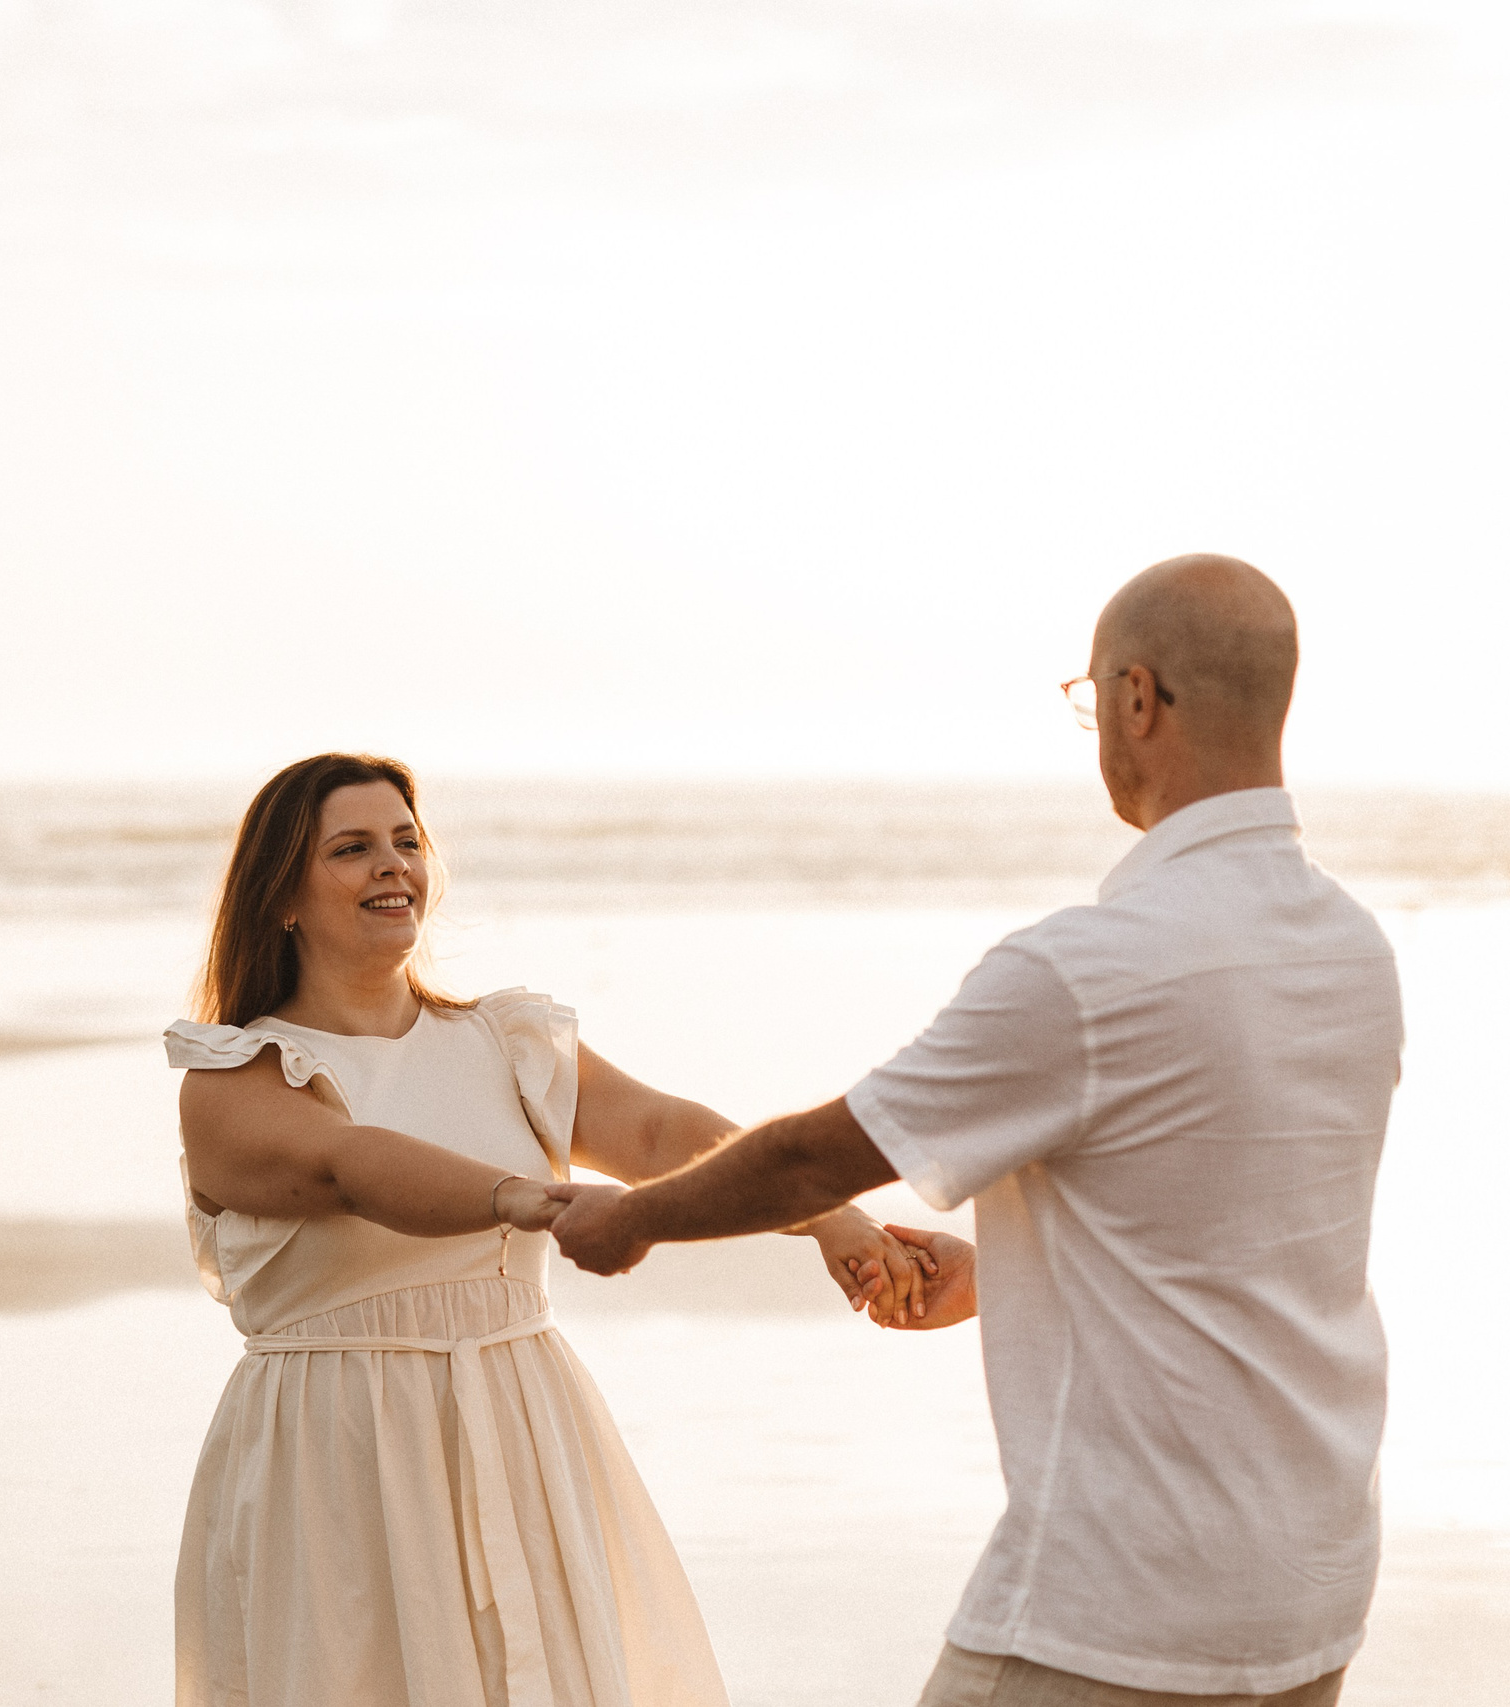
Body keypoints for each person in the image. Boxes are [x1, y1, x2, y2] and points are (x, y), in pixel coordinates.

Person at [548, 555, 1406, 1707]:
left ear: (1136, 700)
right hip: (1308, 1586)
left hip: (1117, 1605)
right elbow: (1229, 1232)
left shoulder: (1088, 970)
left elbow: (814, 1156)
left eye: (1090, 696)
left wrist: (634, 1218)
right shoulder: (1351, 949)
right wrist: (1008, 1269)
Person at [164, 751, 929, 1707]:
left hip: (521, 1416)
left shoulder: (506, 1042)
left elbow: (660, 1130)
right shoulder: (235, 1075)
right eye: (352, 849)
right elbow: (348, 1166)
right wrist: (525, 1197)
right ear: (281, 893)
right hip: (339, 1446)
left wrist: (830, 1215)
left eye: (407, 842)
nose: (392, 866)